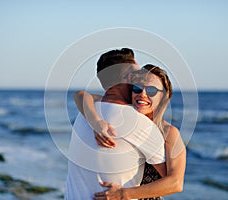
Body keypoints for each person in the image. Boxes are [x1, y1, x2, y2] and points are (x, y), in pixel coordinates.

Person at [65, 48, 167, 200]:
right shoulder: (138, 123)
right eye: (137, 75)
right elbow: (170, 180)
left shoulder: (84, 114)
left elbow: (81, 95)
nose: (141, 79)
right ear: (128, 77)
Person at [75, 64, 186, 200]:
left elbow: (176, 183)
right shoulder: (123, 117)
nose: (142, 94)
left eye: (151, 91)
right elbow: (81, 95)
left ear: (163, 97)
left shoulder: (169, 133)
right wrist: (96, 122)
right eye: (137, 88)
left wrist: (123, 194)